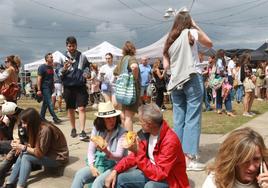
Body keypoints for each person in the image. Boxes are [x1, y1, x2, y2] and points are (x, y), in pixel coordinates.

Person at [163, 9, 212, 170]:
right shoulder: (191, 32)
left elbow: (165, 64)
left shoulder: (170, 39)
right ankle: (189, 157)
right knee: (192, 117)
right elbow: (209, 43)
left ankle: (178, 156)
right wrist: (195, 25)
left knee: (179, 118)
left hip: (176, 80)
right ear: (188, 22)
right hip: (191, 76)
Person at [104, 103, 189, 188]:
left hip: (170, 180)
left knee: (150, 186)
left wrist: (138, 152)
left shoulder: (170, 141)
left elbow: (160, 174)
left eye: (141, 121)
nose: (139, 124)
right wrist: (115, 170)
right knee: (120, 179)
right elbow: (133, 157)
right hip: (150, 172)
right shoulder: (146, 133)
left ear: (149, 124)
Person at [5, 108, 69, 188]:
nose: (23, 125)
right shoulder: (36, 127)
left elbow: (40, 153)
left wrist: (23, 147)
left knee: (26, 156)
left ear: (32, 122)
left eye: (25, 123)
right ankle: (10, 183)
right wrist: (19, 146)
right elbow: (33, 146)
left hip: (58, 158)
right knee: (23, 153)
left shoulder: (45, 130)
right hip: (48, 154)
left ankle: (20, 185)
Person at [71, 101, 126, 188]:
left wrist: (106, 151)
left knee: (97, 183)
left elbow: (119, 156)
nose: (112, 121)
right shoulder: (97, 129)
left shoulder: (122, 132)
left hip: (115, 165)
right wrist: (92, 166)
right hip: (99, 162)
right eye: (108, 118)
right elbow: (90, 150)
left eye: (113, 118)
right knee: (79, 175)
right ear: (102, 120)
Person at [202, 127, 268, 188]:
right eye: (245, 161)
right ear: (233, 160)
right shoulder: (216, 180)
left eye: (256, 159)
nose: (252, 168)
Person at [59, 36, 90, 140]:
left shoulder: (83, 56)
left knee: (81, 108)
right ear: (66, 46)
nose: (71, 48)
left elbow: (87, 68)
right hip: (68, 86)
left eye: (73, 46)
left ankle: (82, 130)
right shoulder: (62, 57)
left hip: (80, 85)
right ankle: (73, 128)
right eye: (69, 46)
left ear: (76, 45)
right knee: (71, 108)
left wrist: (86, 73)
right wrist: (64, 68)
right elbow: (58, 72)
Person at [113, 41, 140, 131]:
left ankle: (124, 137)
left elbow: (115, 72)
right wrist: (134, 78)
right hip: (130, 92)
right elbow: (134, 67)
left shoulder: (122, 60)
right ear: (133, 49)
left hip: (121, 92)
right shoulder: (131, 58)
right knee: (129, 118)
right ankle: (129, 141)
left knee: (123, 116)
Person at [37, 53, 62, 124]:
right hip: (44, 88)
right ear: (47, 59)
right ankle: (55, 118)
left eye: (52, 57)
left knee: (45, 103)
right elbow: (39, 78)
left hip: (50, 88)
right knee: (50, 103)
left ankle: (41, 118)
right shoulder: (42, 67)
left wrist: (53, 86)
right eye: (51, 57)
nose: (52, 58)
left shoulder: (51, 67)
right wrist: (39, 90)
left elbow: (52, 78)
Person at [240, 53, 256, 117]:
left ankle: (248, 110)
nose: (251, 57)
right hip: (247, 80)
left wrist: (252, 76)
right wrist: (252, 76)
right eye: (250, 57)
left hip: (249, 79)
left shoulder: (247, 64)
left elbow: (249, 72)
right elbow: (247, 72)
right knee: (247, 96)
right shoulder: (245, 64)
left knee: (252, 95)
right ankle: (245, 112)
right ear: (247, 57)